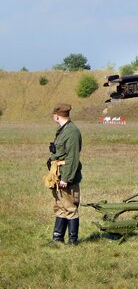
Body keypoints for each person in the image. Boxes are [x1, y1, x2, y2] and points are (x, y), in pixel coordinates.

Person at [48, 103, 82, 245]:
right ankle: (58, 238)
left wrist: (66, 178)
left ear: (56, 115)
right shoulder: (63, 130)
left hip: (66, 176)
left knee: (70, 207)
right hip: (58, 174)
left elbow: (73, 157)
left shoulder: (72, 132)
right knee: (60, 206)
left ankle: (72, 241)